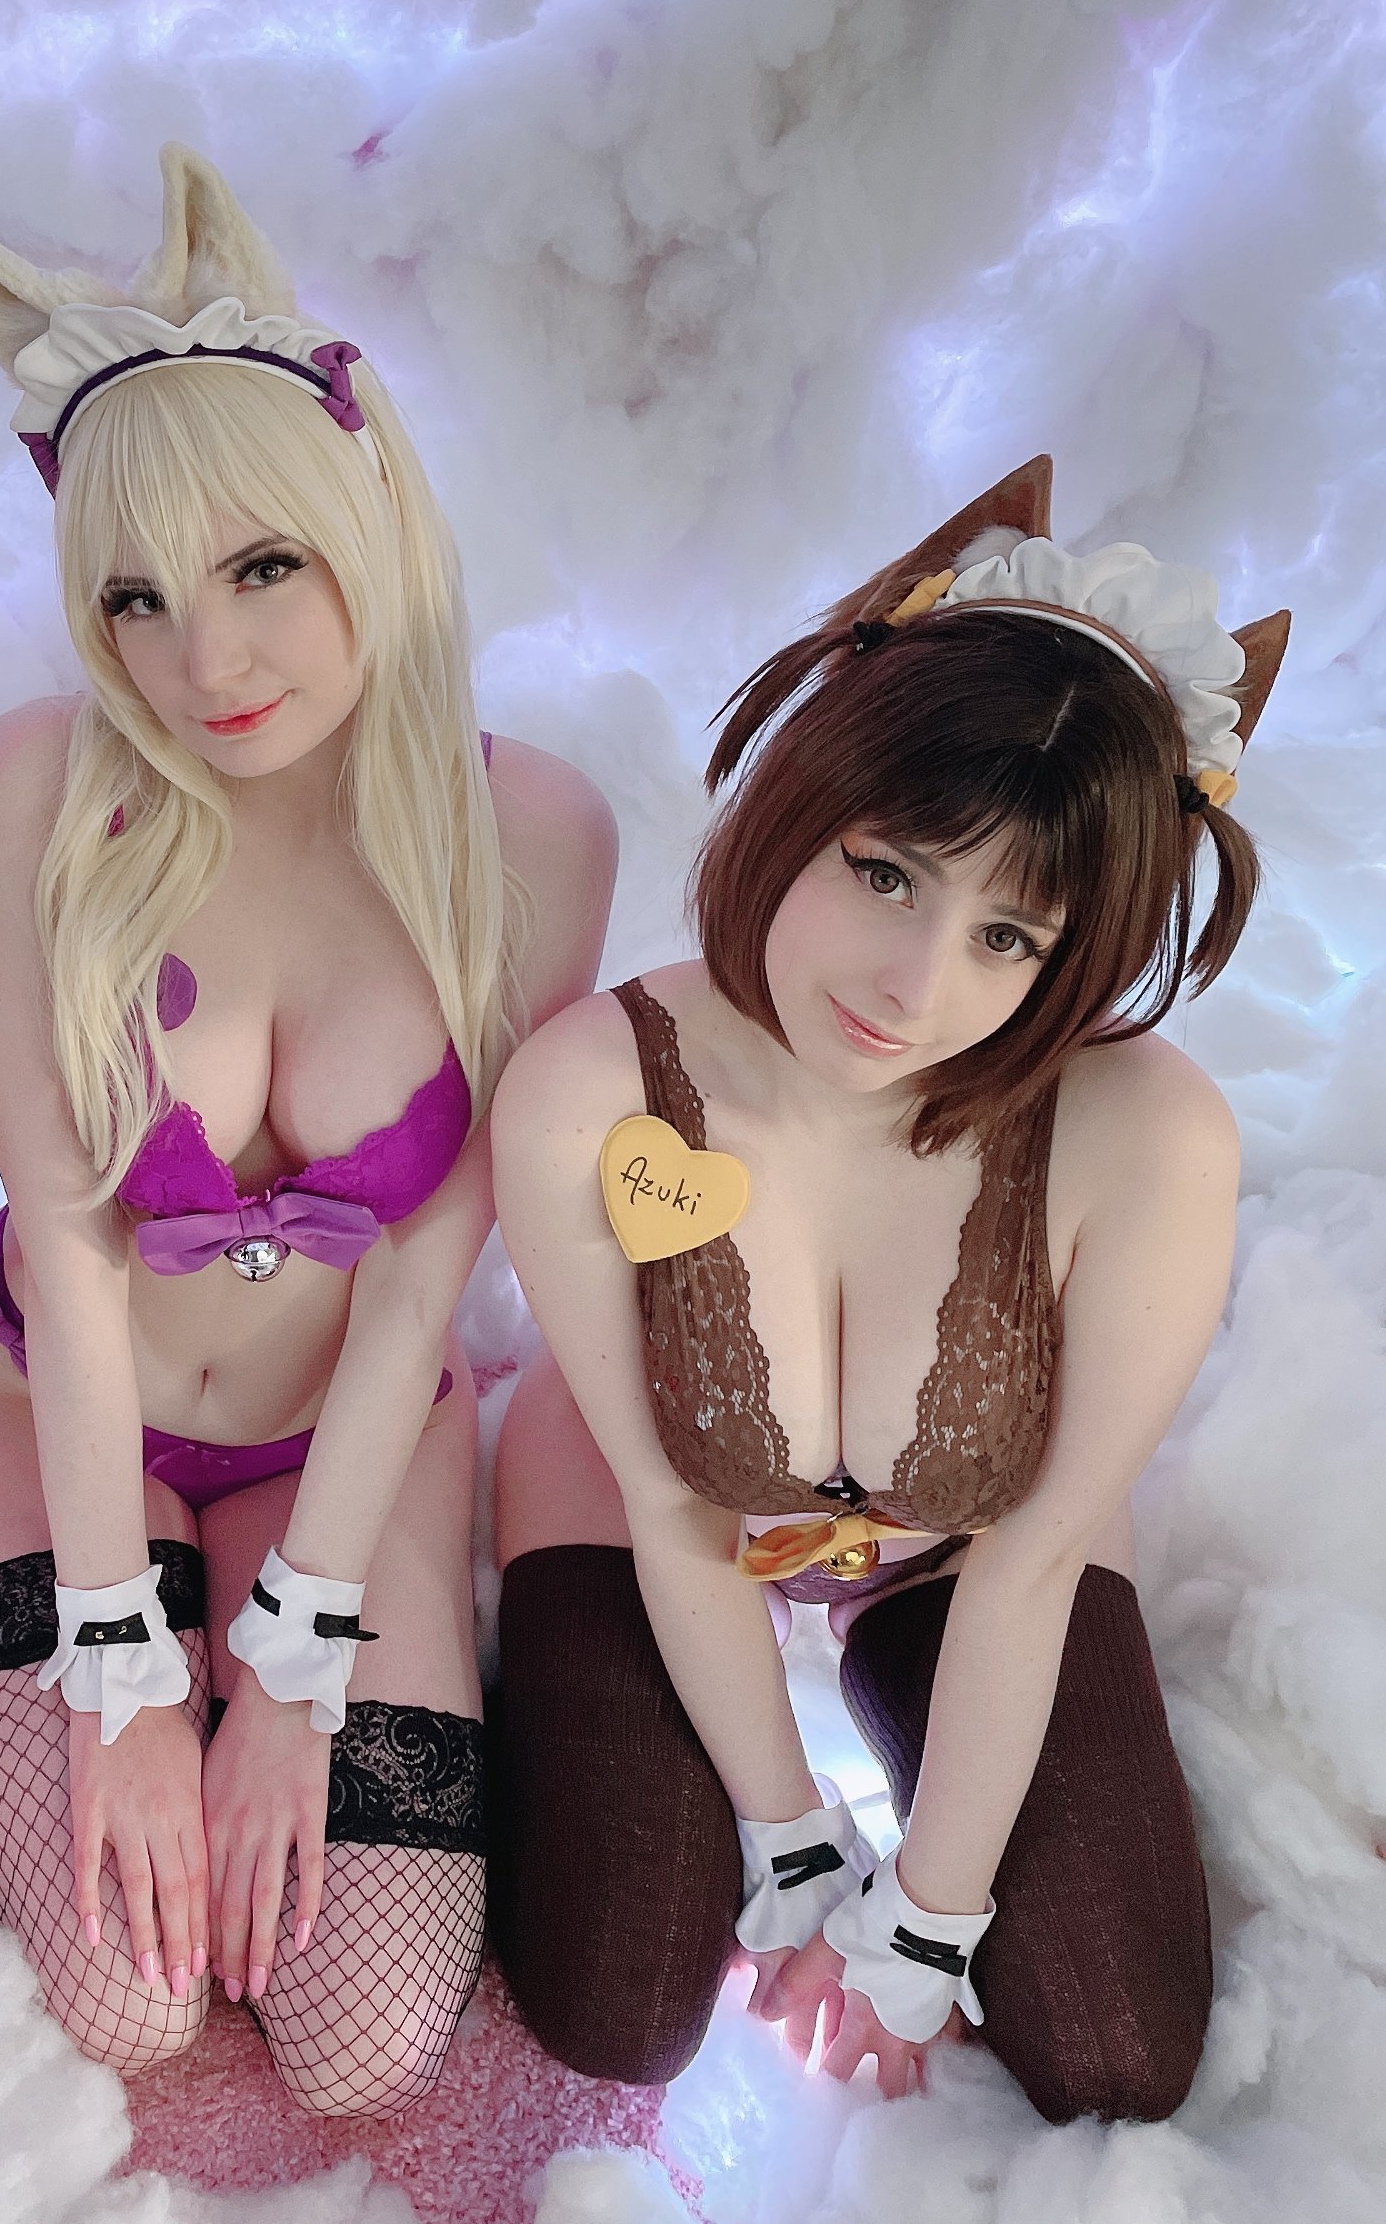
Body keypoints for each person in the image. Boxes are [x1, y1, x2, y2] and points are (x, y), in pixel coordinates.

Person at [0, 146, 614, 2113]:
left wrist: (294, 1670)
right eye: (134, 601)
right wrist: (123, 1675)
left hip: (358, 1431)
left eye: (260, 572)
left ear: (366, 520)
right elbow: (70, 1256)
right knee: (120, 2001)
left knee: (367, 2031)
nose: (203, 666)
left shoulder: (531, 836)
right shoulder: (36, 793)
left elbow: (420, 1280)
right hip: (60, 1406)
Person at [488, 457, 1287, 2123]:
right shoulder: (591, 1090)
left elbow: (1036, 1550)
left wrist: (925, 1915)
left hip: (974, 1543)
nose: (915, 987)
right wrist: (795, 1844)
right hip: (657, 1504)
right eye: (888, 873)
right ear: (806, 802)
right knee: (620, 2002)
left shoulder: (1141, 1136)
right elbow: (674, 1510)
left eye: (1011, 938)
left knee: (1116, 2045)